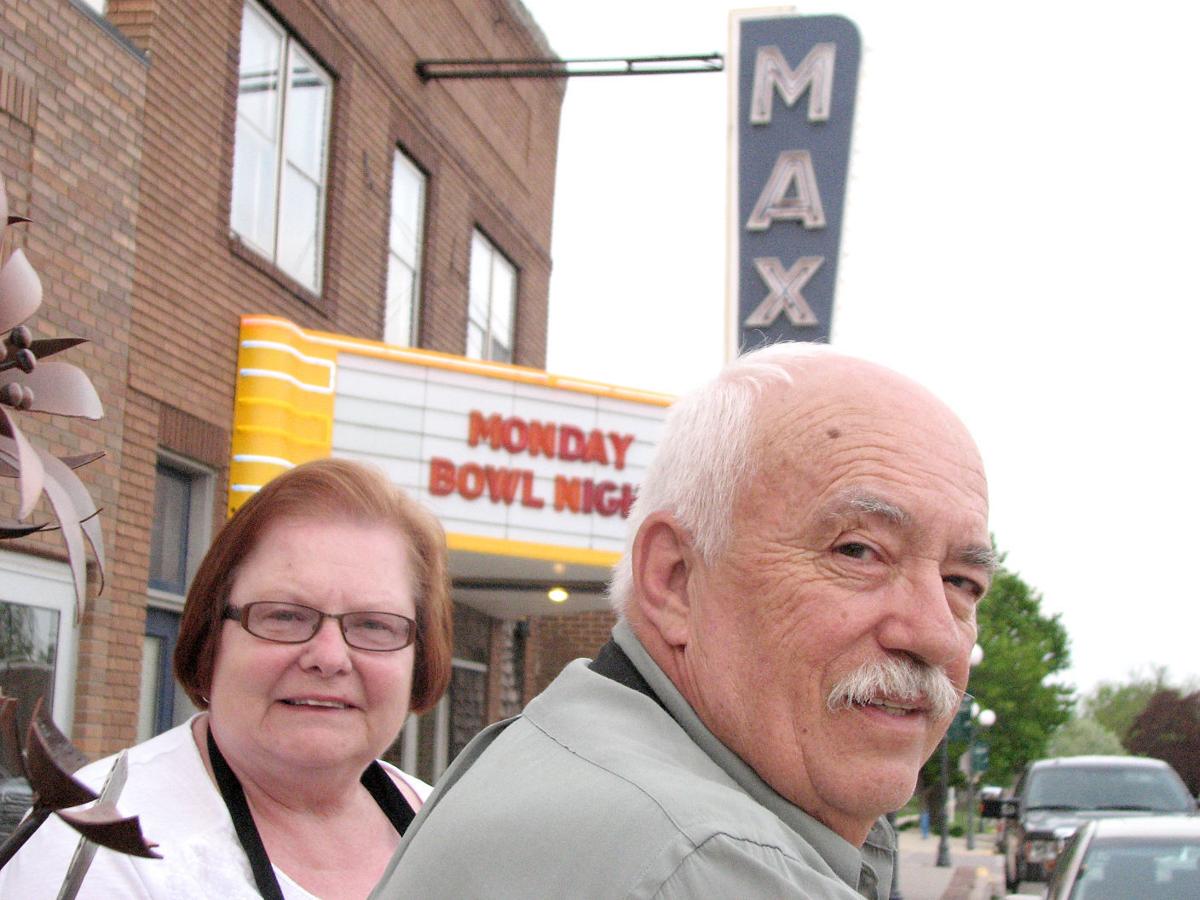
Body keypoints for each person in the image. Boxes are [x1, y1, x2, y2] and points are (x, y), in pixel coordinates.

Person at [373, 343, 994, 898]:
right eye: (858, 551)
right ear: (674, 580)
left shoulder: (548, 757)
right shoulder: (713, 866)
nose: (936, 633)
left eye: (962, 583)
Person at [0, 458, 452, 899]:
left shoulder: (454, 829)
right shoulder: (91, 843)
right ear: (212, 635)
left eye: (374, 625)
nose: (329, 657)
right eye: (284, 616)